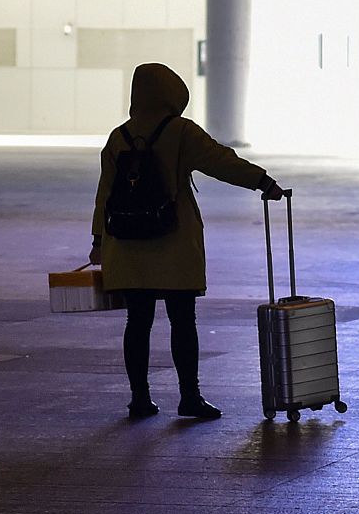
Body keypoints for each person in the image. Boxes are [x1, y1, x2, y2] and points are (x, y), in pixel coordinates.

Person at [89, 63, 285, 420]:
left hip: (127, 242)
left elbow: (104, 194)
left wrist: (99, 240)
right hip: (172, 241)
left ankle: (139, 398)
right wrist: (262, 181)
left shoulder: (118, 137)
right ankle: (189, 396)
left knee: (137, 322)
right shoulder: (180, 131)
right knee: (182, 320)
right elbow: (221, 162)